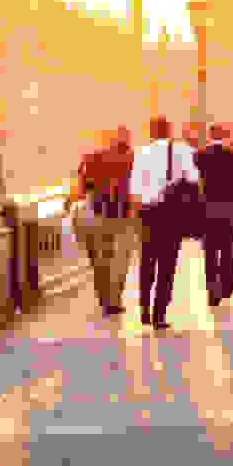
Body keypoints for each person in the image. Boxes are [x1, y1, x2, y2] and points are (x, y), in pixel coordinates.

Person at [129, 116, 200, 331]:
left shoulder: (141, 153)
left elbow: (134, 191)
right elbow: (194, 179)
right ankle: (159, 314)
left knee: (147, 263)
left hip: (148, 214)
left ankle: (143, 309)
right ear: (169, 130)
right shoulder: (181, 150)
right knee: (167, 266)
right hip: (171, 214)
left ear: (151, 132)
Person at [70, 125, 136, 317]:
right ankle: (113, 299)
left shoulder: (91, 157)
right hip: (122, 216)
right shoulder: (133, 158)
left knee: (101, 260)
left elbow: (82, 186)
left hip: (98, 213)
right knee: (120, 261)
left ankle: (106, 299)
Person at [195, 122, 233, 309]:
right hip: (229, 208)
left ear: (209, 135)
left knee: (210, 251)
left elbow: (195, 182)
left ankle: (212, 291)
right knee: (227, 248)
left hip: (207, 208)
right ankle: (227, 287)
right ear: (224, 136)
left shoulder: (199, 155)